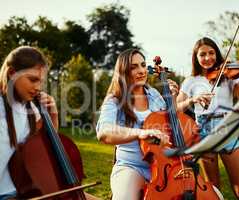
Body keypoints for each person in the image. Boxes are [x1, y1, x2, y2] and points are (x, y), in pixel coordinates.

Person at [0, 46, 97, 200]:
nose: (38, 87)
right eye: (33, 80)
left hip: (28, 190)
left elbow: (44, 151)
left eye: (41, 81)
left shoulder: (32, 108)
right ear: (12, 73)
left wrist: (53, 116)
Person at [177, 37, 239, 200]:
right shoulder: (191, 81)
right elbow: (176, 108)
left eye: (211, 53)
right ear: (196, 58)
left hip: (226, 128)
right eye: (202, 54)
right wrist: (192, 100)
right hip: (203, 132)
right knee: (213, 189)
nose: (207, 58)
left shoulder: (229, 77)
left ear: (217, 54)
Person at [96, 49, 178, 200]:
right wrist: (139, 133)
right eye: (134, 67)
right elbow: (104, 132)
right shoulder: (114, 100)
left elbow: (168, 124)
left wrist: (173, 100)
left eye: (143, 65)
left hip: (164, 167)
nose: (141, 71)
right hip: (132, 167)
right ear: (123, 72)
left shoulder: (153, 94)